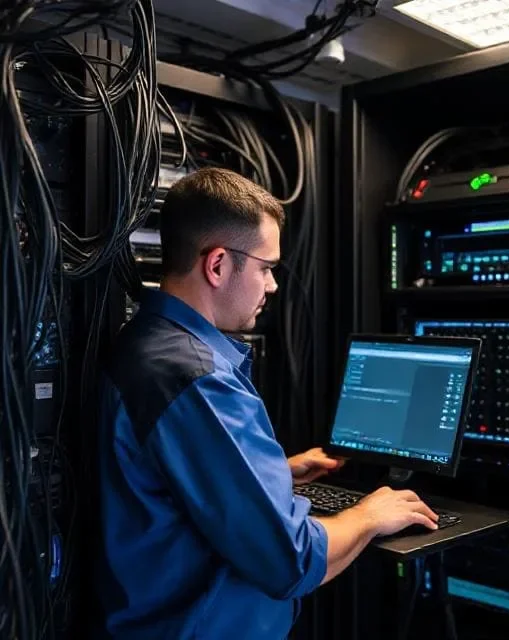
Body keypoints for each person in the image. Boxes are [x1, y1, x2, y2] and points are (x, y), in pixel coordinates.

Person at [95, 167, 439, 639]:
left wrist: (275, 471)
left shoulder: (147, 342)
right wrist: (368, 515)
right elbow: (291, 561)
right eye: (266, 267)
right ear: (217, 265)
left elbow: (174, 483)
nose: (273, 285)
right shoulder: (196, 377)